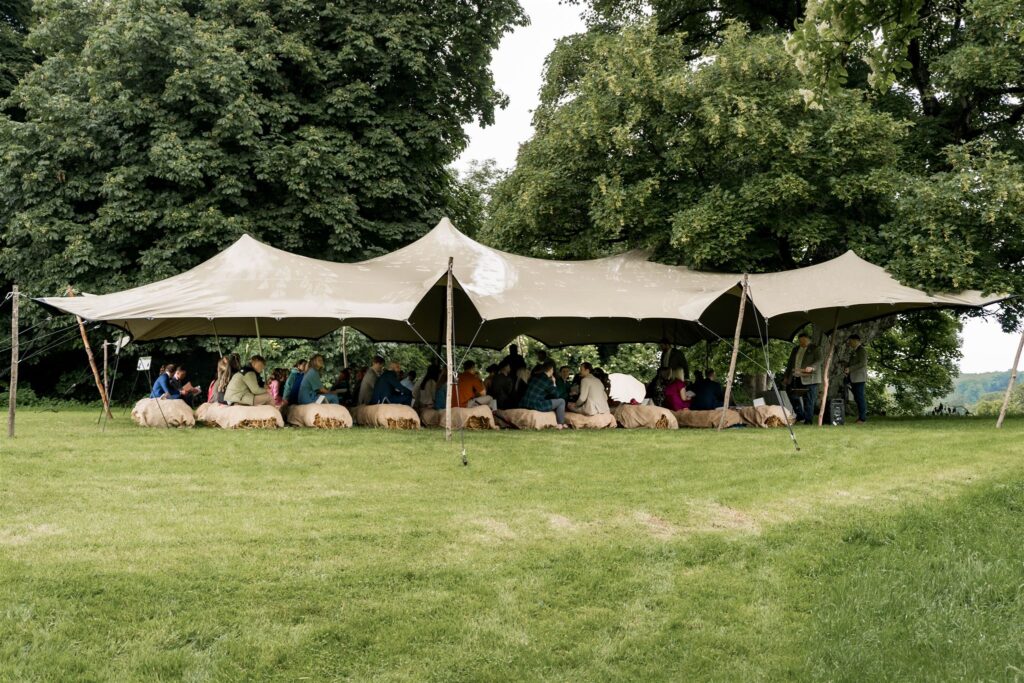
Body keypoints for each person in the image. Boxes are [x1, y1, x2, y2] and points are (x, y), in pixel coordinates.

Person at [784, 332, 823, 424]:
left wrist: (812, 367)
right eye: (800, 341)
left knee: (809, 400)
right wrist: (786, 376)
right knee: (793, 396)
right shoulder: (795, 349)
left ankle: (808, 420)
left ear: (809, 340)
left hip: (810, 378)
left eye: (804, 341)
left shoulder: (816, 348)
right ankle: (800, 415)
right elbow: (790, 364)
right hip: (796, 377)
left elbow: (820, 360)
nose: (802, 343)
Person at [519, 361, 566, 428]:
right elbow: (557, 395)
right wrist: (554, 383)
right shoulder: (547, 381)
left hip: (524, 403)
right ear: (551, 369)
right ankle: (561, 424)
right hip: (535, 404)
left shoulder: (534, 377)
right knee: (561, 401)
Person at [844, 334, 868, 424]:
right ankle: (860, 417)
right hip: (853, 378)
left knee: (860, 398)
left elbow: (862, 363)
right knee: (857, 398)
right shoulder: (855, 351)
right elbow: (854, 363)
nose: (849, 343)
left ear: (856, 340)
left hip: (859, 378)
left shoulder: (861, 350)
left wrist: (850, 369)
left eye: (850, 341)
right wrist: (846, 365)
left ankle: (862, 418)